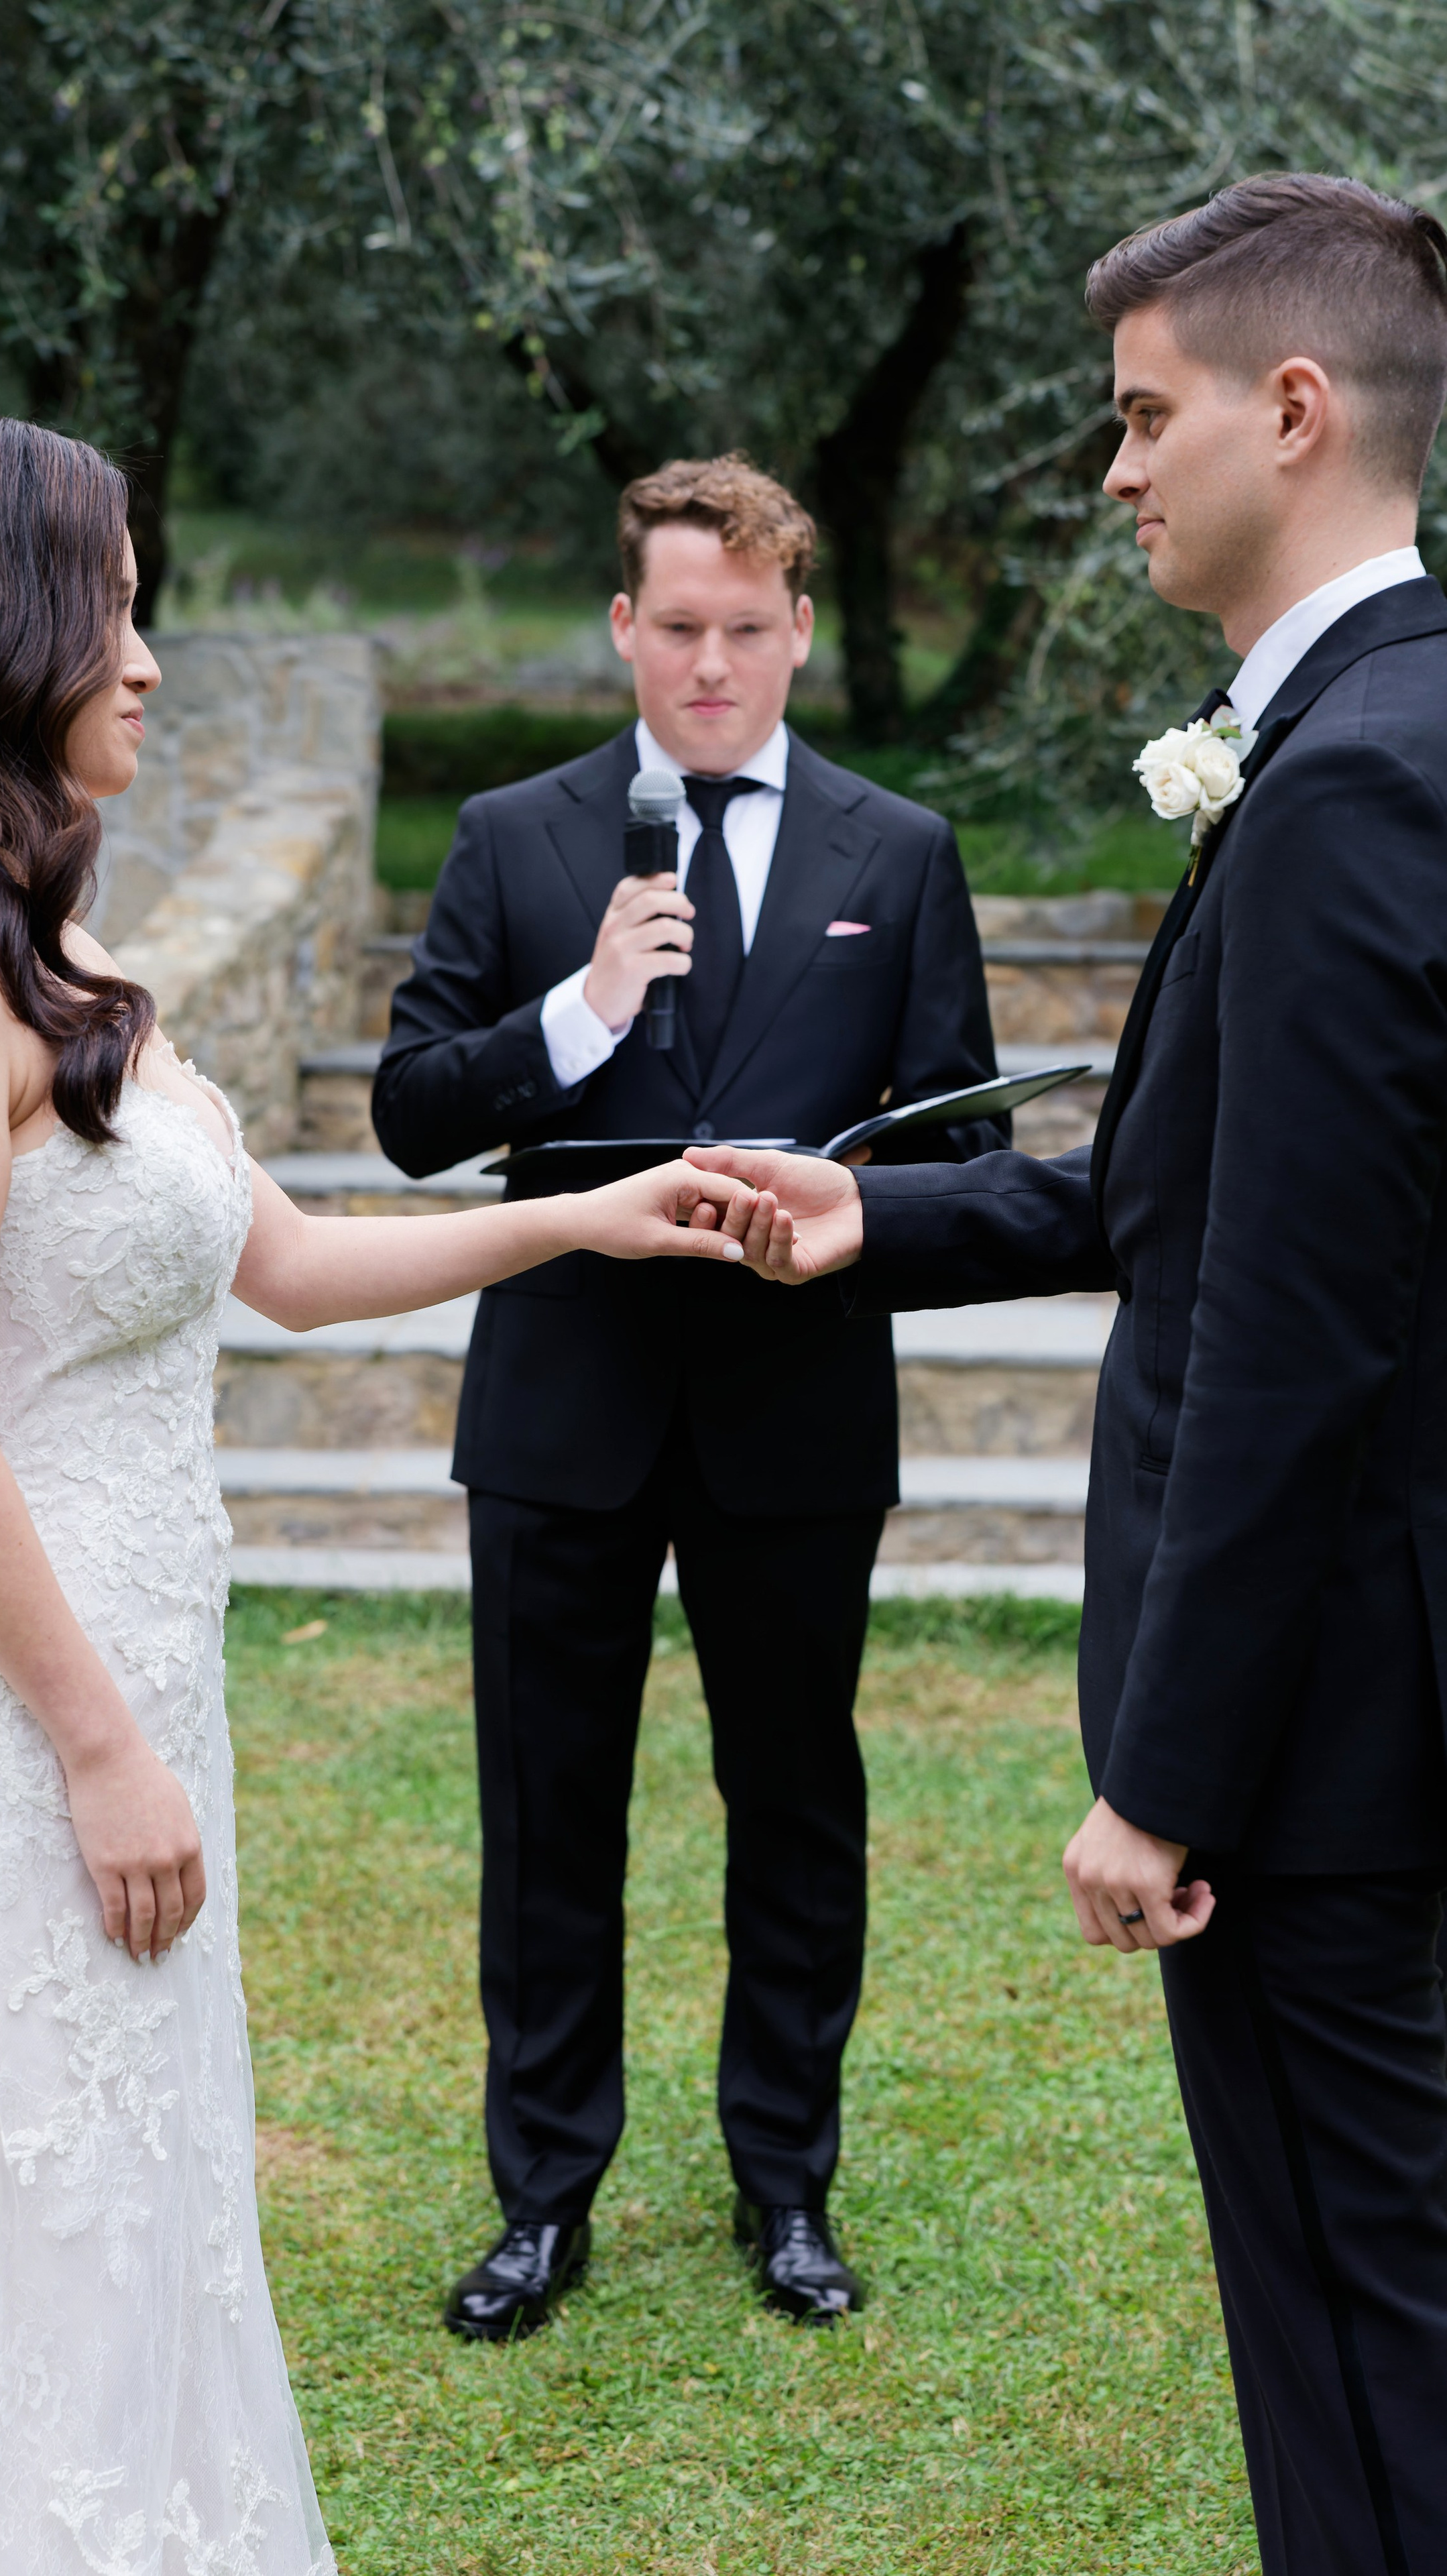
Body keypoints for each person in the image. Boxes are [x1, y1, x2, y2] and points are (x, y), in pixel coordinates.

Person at [0, 416, 743, 2571]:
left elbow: (283, 1262)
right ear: (0, 632)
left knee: (123, 2200)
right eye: (117, 604)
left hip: (136, 1684)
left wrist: (595, 1212)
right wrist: (95, 1745)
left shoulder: (60, 972)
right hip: (16, 1728)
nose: (155, 658)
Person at [689, 175, 1447, 2567]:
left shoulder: (1348, 783)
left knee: (1361, 2333)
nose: (1114, 473)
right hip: (1368, 1705)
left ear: (1293, 412)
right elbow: (1191, 1195)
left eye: (1144, 417)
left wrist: (1168, 1772)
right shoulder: (1381, 726)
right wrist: (870, 1213)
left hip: (1325, 1756)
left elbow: (1291, 1340)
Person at [372, 455, 1006, 2338]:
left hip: (796, 1404)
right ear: (623, 630)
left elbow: (963, 1149)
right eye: (678, 628)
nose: (711, 663)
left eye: (747, 628)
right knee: (547, 1808)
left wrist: (847, 1211)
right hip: (566, 1403)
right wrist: (571, 1016)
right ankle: (541, 2197)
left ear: (801, 628)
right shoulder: (516, 834)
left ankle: (786, 2188)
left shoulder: (897, 854)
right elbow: (413, 1114)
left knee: (795, 1801)